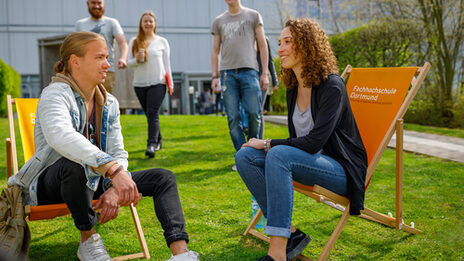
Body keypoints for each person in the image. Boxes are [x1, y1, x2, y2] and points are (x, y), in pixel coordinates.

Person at [8, 32, 199, 261]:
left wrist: (115, 186)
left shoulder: (109, 102)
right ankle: (88, 240)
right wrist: (113, 170)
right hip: (54, 184)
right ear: (75, 61)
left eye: (108, 57)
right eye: (100, 57)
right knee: (74, 165)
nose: (108, 64)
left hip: (98, 178)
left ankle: (180, 254)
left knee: (163, 177)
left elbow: (118, 153)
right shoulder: (54, 95)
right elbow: (61, 136)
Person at [234, 18, 368, 261]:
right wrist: (267, 147)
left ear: (307, 45)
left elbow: (314, 142)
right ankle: (291, 234)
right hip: (310, 162)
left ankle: (277, 253)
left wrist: (267, 143)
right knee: (244, 156)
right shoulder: (293, 87)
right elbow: (299, 141)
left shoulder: (332, 86)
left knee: (277, 152)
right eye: (280, 42)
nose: (281, 48)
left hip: (341, 171)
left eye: (288, 42)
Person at [211, 0, 270, 170]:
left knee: (253, 113)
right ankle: (241, 156)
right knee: (233, 118)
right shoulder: (219, 21)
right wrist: (215, 76)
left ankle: (254, 153)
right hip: (227, 74)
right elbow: (215, 51)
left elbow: (262, 45)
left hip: (250, 71)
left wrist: (264, 73)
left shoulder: (253, 16)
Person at [127, 11, 173, 158]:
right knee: (150, 115)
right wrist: (137, 59)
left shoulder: (162, 41)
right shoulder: (134, 41)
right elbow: (129, 64)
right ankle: (158, 140)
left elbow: (167, 65)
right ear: (141, 24)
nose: (148, 23)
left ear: (155, 24)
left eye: (150, 21)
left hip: (158, 83)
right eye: (145, 21)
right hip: (139, 84)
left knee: (153, 114)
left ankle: (151, 145)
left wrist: (170, 83)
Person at [75, 0, 128, 94]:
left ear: (103, 4)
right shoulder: (80, 24)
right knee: (85, 101)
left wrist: (123, 58)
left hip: (106, 70)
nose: (96, 6)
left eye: (99, 3)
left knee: (104, 102)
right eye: (93, 3)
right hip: (85, 71)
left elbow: (123, 42)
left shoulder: (112, 22)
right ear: (88, 4)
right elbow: (75, 46)